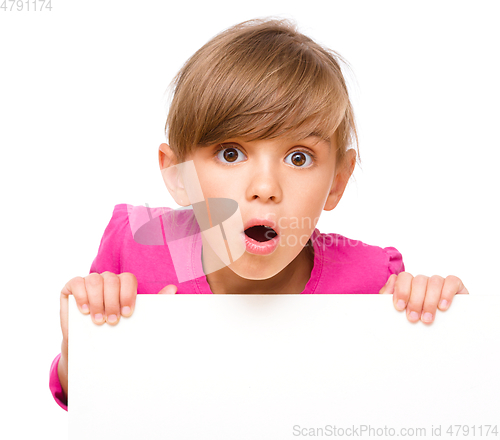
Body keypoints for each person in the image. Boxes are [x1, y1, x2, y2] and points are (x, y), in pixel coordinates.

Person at [49, 18, 469, 411]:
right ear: (178, 175)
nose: (265, 188)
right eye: (231, 153)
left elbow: (410, 403)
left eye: (299, 157)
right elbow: (84, 399)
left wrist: (439, 333)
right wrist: (84, 351)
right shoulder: (135, 247)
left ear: (337, 181)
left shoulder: (374, 282)